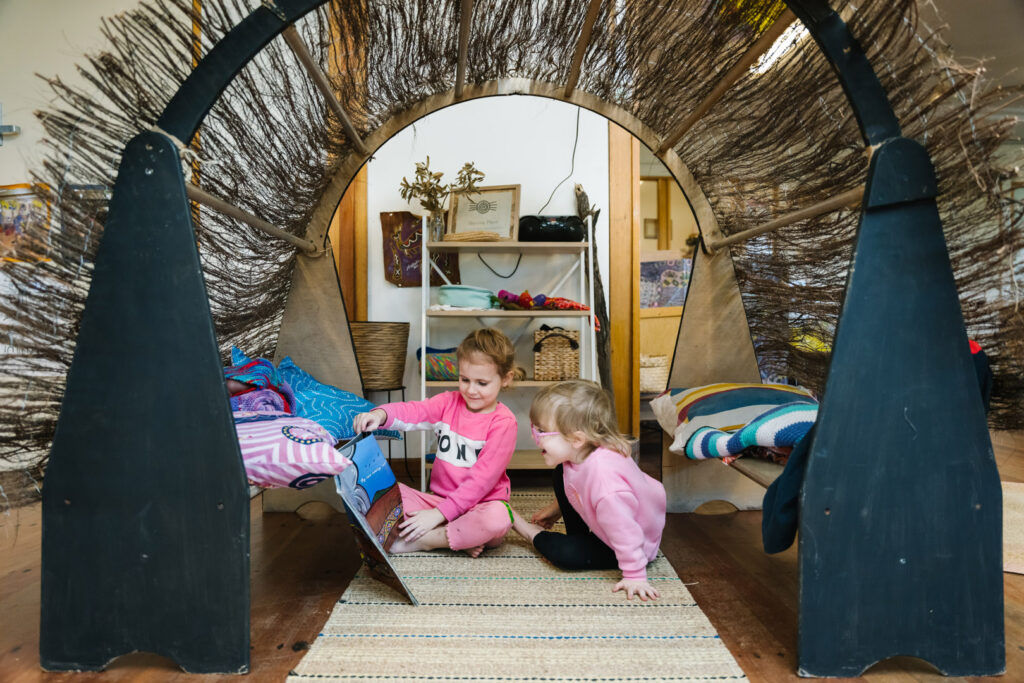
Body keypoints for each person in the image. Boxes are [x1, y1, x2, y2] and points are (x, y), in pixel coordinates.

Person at [352, 327, 517, 556]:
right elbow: (413, 411)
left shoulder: (504, 423)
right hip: (437, 500)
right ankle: (458, 537)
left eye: (482, 383)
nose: (471, 389)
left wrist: (438, 516)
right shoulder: (448, 403)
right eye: (464, 379)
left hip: (480, 505)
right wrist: (379, 415)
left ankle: (431, 539)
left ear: (505, 379)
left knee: (498, 518)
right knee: (380, 495)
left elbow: (481, 482)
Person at [510, 380, 667, 600]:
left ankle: (525, 529)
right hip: (612, 519)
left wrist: (635, 574)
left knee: (565, 555)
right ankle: (579, 537)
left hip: (633, 543)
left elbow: (625, 531)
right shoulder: (580, 455)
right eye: (535, 429)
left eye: (542, 432)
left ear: (576, 439)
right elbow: (580, 486)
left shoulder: (607, 487)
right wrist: (557, 508)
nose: (534, 437)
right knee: (560, 472)